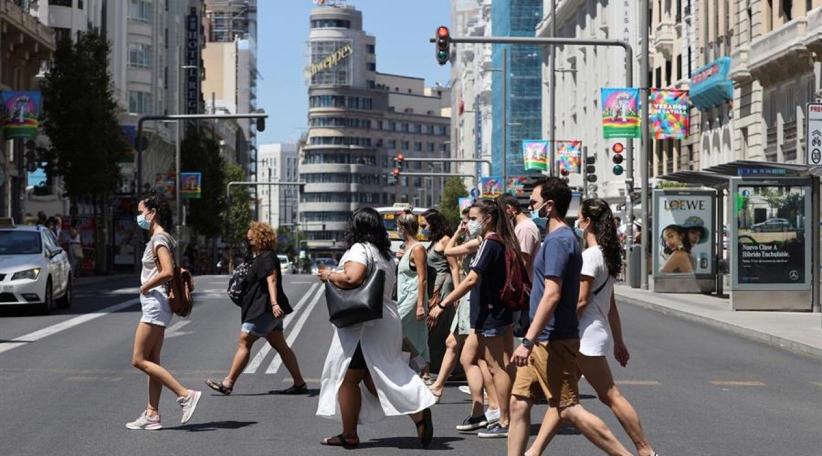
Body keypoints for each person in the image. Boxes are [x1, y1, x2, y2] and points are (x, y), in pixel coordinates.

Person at [508, 178, 631, 456]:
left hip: (553, 338)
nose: (531, 205)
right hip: (541, 337)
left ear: (549, 206)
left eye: (535, 201)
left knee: (569, 409)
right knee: (518, 401)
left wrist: (527, 341)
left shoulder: (560, 241)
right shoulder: (555, 238)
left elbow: (552, 294)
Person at [525, 198, 657, 456]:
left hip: (581, 336)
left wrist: (559, 327)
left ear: (587, 223)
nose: (577, 221)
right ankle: (534, 451)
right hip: (593, 333)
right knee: (563, 400)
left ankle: (645, 450)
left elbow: (582, 300)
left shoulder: (588, 257)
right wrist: (618, 340)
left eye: (580, 217)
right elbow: (611, 303)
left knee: (608, 395)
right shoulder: (608, 255)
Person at [316, 208, 435, 449]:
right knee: (377, 375)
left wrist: (330, 274)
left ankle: (349, 434)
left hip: (363, 324)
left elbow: (353, 277)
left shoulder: (360, 249)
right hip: (384, 319)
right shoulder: (386, 253)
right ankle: (419, 414)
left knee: (347, 379)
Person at [428, 199, 520, 439]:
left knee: (496, 365)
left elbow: (471, 279)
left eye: (472, 218)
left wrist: (443, 303)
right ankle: (488, 412)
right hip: (486, 312)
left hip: (492, 312)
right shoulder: (490, 241)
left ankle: (504, 418)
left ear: (487, 218)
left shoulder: (490, 243)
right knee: (473, 358)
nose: (469, 222)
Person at [126, 193, 202, 430]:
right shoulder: (162, 238)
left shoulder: (159, 239)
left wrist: (145, 286)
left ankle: (184, 394)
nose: (139, 216)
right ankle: (152, 413)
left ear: (152, 213)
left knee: (138, 359)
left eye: (141, 212)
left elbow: (168, 271)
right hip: (159, 305)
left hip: (154, 305)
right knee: (152, 360)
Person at [205, 221, 307, 396]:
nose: (248, 239)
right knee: (281, 346)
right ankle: (299, 383)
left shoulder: (267, 257)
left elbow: (272, 280)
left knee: (245, 341)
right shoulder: (260, 257)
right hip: (267, 310)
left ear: (261, 237)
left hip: (264, 309)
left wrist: (274, 304)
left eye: (251, 237)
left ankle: (228, 383)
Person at [420, 208, 460, 383]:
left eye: (425, 225)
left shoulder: (445, 241)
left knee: (439, 328)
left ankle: (452, 367)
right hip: (434, 288)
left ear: (434, 223)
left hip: (444, 288)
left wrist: (457, 293)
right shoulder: (434, 240)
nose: (422, 229)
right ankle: (442, 366)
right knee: (435, 330)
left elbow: (455, 267)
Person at [396, 213, 430, 376]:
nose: (397, 230)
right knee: (411, 334)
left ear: (404, 228)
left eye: (399, 226)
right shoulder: (407, 249)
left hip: (413, 298)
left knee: (395, 330)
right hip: (404, 297)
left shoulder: (418, 248)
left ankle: (421, 367)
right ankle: (419, 368)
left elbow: (422, 278)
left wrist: (420, 305)